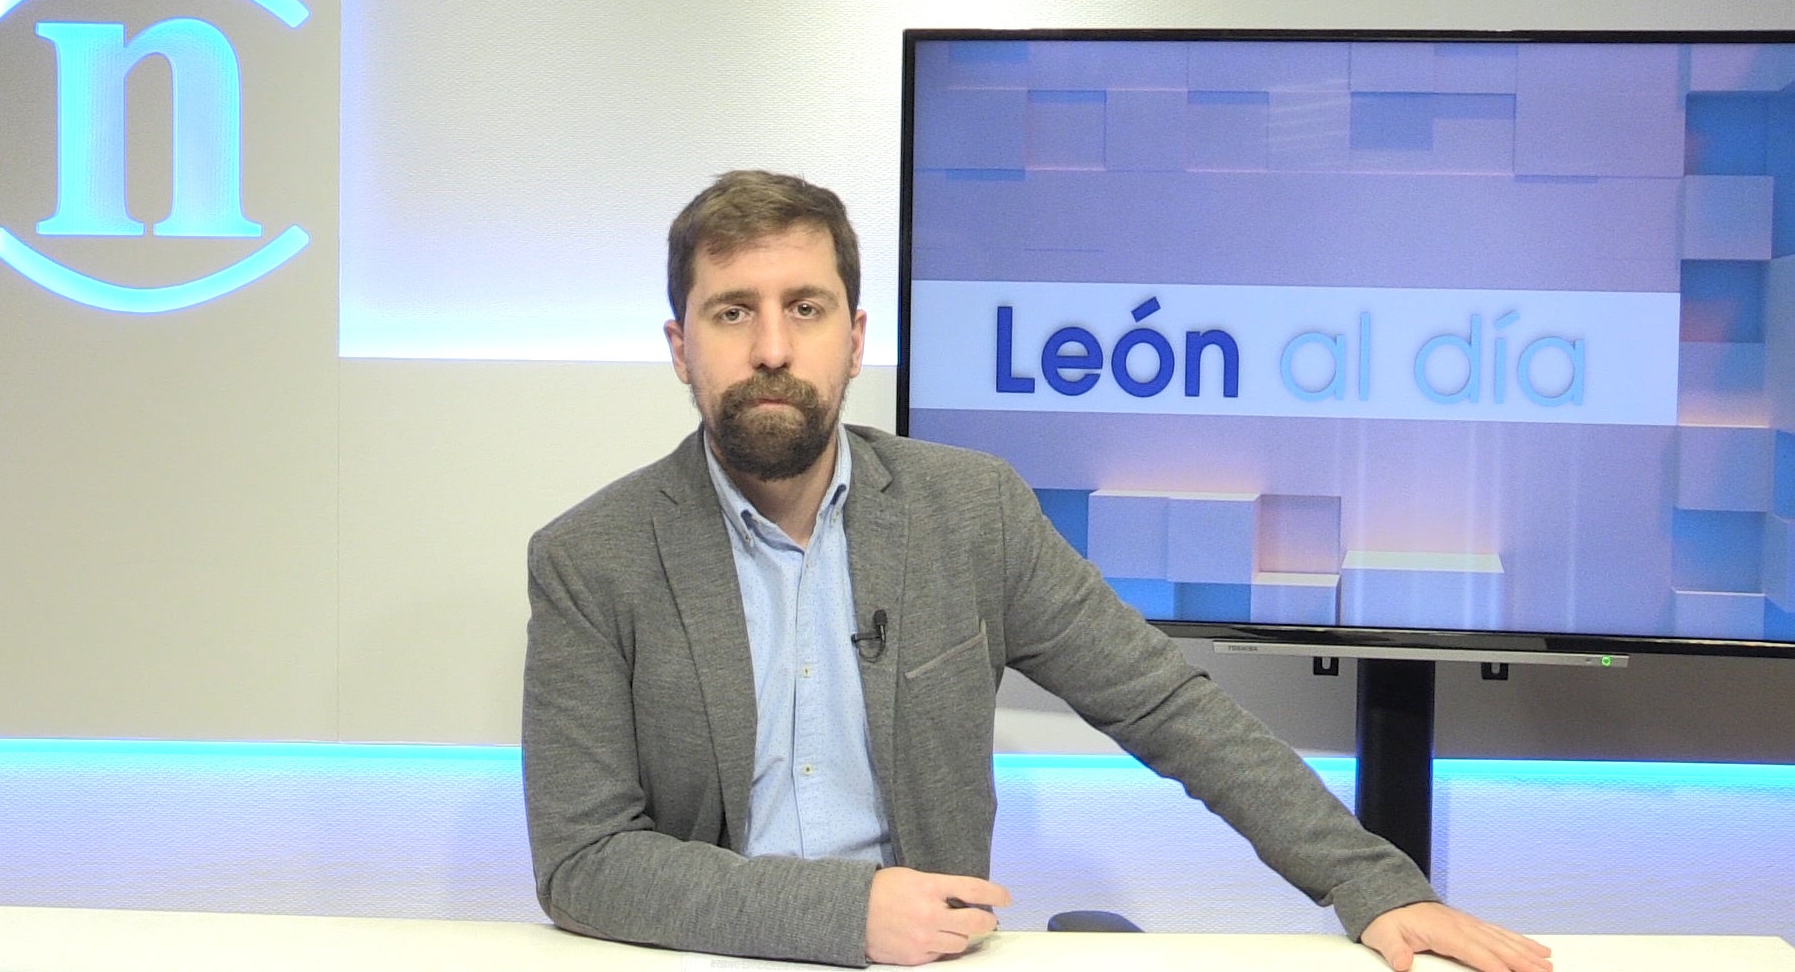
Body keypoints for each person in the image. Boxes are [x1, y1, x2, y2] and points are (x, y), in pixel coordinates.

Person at [523, 170, 1554, 972]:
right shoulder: (589, 560)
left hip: (929, 964)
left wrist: (1372, 882)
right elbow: (582, 862)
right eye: (732, 312)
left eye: (806, 307)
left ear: (854, 339)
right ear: (681, 347)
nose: (772, 348)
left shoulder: (970, 512)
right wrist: (843, 914)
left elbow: (1167, 706)